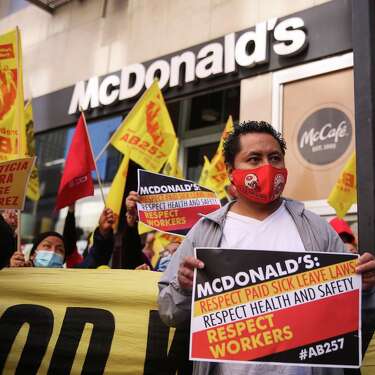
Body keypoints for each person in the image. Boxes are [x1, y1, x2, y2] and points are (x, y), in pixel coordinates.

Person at [158, 121, 375, 375]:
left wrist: (366, 288)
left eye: (275, 158)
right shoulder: (205, 232)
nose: (267, 167)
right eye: (254, 159)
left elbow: (355, 317)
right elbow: (169, 312)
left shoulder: (316, 229)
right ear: (230, 170)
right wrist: (184, 288)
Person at [9, 207, 115, 269]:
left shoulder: (72, 277)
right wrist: (10, 270)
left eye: (60, 249)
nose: (53, 252)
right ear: (33, 254)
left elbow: (95, 259)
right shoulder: (19, 269)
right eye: (47, 246)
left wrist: (103, 232)